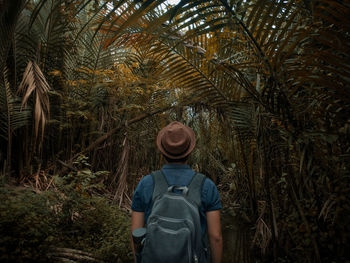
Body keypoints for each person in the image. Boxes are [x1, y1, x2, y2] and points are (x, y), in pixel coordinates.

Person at [131, 121, 223, 263]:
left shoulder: (146, 183)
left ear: (163, 152)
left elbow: (136, 233)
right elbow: (215, 237)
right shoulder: (206, 186)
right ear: (190, 151)